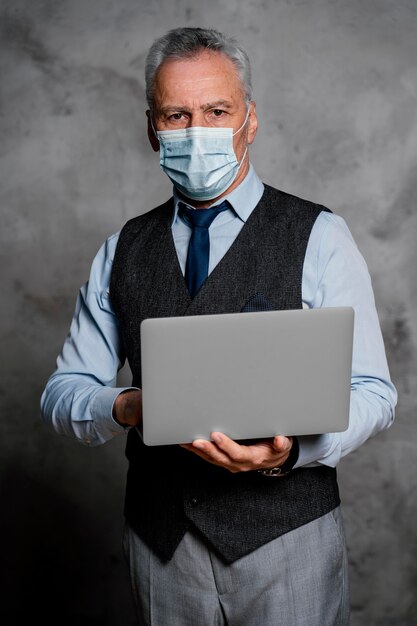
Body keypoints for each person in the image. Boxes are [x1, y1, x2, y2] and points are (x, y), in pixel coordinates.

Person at [40, 26, 397, 626]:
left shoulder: (319, 236)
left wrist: (288, 455)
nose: (196, 130)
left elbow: (374, 395)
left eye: (216, 110)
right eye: (177, 114)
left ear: (249, 120)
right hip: (161, 547)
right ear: (152, 129)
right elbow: (62, 393)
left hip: (287, 543)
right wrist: (132, 407)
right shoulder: (121, 250)